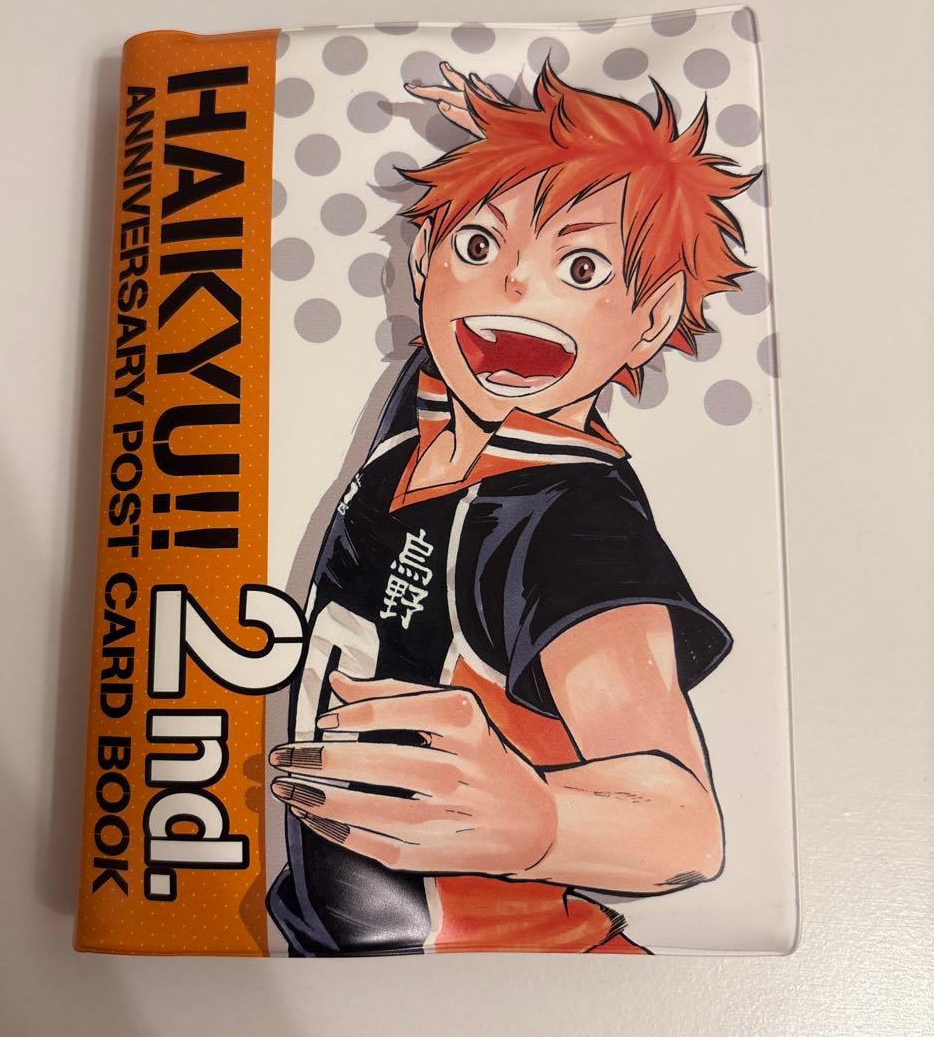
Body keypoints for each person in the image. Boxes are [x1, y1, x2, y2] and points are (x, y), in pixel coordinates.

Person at [266, 59, 759, 956]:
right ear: (425, 261)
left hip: (512, 970)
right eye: (478, 249)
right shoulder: (429, 402)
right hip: (331, 949)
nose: (515, 288)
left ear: (651, 320)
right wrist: (518, 138)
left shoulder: (569, 522)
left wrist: (538, 819)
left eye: (581, 265)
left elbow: (685, 829)